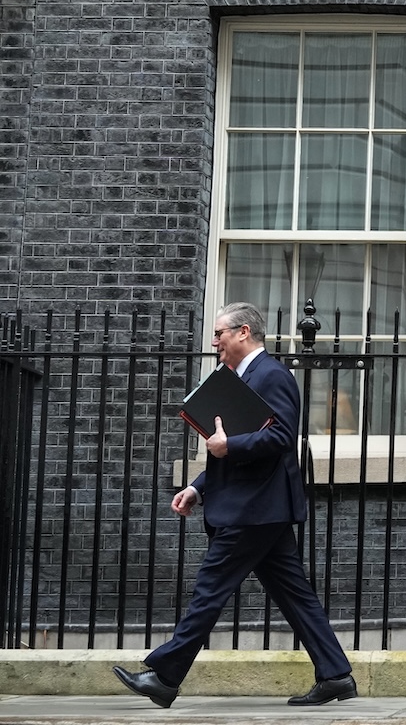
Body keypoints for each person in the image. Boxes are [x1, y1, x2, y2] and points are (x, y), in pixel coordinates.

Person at [113, 302, 355, 708]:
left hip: (255, 508)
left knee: (210, 587)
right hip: (258, 507)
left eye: (220, 333)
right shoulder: (238, 377)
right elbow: (232, 446)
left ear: (243, 332)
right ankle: (335, 675)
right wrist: (198, 487)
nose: (214, 341)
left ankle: (165, 676)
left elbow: (281, 437)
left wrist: (229, 446)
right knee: (293, 592)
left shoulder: (272, 375)